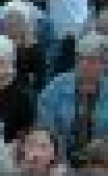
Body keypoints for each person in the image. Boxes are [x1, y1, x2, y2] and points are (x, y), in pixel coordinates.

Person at [38, 32, 108, 165]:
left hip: (101, 158)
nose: (85, 65)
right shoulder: (55, 87)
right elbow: (46, 128)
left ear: (105, 65)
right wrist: (62, 158)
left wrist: (103, 144)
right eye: (80, 59)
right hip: (60, 156)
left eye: (92, 60)